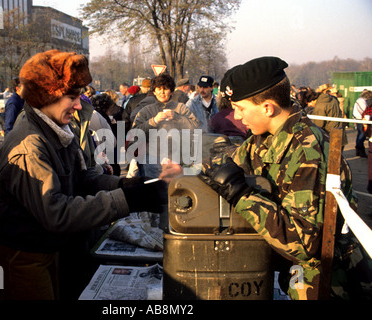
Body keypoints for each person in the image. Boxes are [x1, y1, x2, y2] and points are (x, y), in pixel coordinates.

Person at [0, 49, 168, 300]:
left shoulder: (56, 128)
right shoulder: (29, 145)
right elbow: (56, 212)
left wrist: (128, 185)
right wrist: (128, 200)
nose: (77, 104)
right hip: (24, 257)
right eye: (71, 96)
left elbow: (82, 179)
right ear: (46, 95)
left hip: (49, 249)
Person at [198, 56, 365, 300]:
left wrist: (242, 195)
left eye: (240, 109)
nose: (237, 117)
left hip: (325, 284)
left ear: (267, 108)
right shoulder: (267, 136)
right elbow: (231, 162)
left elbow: (304, 244)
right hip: (290, 272)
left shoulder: (309, 153)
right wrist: (191, 170)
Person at [132, 72, 199, 178]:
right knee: (155, 189)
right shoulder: (146, 110)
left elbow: (196, 126)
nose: (162, 92)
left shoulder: (181, 108)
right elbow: (135, 133)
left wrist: (177, 117)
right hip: (152, 158)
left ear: (172, 91)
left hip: (178, 157)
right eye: (158, 89)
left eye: (166, 88)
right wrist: (153, 121)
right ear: (154, 91)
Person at [353, 90, 372, 157]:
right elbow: (364, 111)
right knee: (361, 135)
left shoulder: (360, 100)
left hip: (360, 119)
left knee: (360, 135)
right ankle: (360, 150)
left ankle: (359, 150)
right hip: (361, 120)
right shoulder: (361, 101)